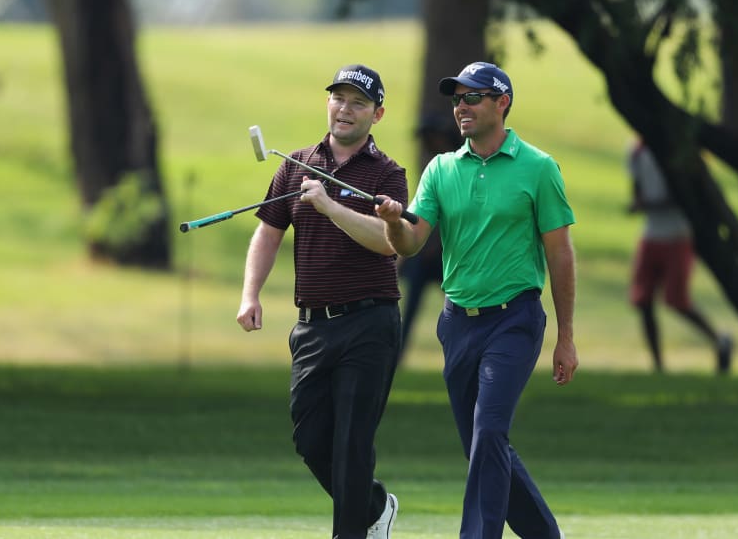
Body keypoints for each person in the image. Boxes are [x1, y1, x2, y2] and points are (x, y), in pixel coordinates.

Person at [375, 61, 577, 539]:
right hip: (457, 324)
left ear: (501, 102)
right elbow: (411, 242)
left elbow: (560, 256)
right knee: (483, 447)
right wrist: (390, 220)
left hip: (515, 319)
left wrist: (566, 336)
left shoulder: (539, 168)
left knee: (489, 433)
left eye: (472, 97)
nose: (460, 107)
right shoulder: (441, 169)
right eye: (457, 98)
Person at [236, 64, 404, 539]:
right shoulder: (293, 164)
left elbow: (387, 241)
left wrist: (329, 205)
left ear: (377, 114)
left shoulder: (387, 174)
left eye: (358, 103)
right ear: (327, 103)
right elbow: (268, 233)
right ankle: (373, 506)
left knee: (352, 442)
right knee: (311, 440)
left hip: (369, 322)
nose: (345, 109)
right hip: (312, 326)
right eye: (339, 98)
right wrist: (250, 294)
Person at [626, 139, 733, 374]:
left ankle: (719, 340)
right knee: (643, 300)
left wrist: (650, 205)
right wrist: (638, 204)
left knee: (677, 301)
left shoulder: (677, 152)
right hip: (651, 234)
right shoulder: (635, 153)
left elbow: (685, 196)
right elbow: (637, 191)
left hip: (678, 235)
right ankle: (658, 365)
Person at [397, 113, 463, 355]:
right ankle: (397, 354)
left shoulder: (458, 166)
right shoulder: (432, 167)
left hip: (449, 257)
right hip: (422, 256)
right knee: (409, 309)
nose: (424, 145)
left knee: (464, 303)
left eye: (428, 139)